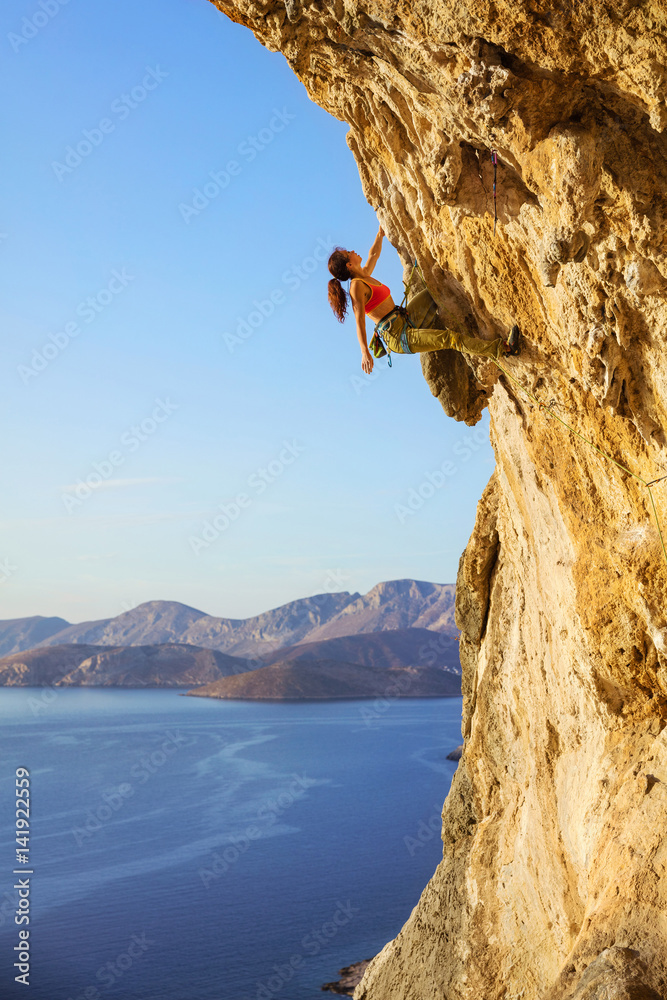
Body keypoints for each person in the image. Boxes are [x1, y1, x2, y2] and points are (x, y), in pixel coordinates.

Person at [327, 227, 520, 373]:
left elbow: (373, 255)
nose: (352, 250)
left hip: (403, 317)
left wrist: (380, 233)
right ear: (349, 264)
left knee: (434, 289)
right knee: (449, 339)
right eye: (348, 253)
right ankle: (502, 349)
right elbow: (359, 319)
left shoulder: (364, 275)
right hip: (398, 336)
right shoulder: (356, 287)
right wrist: (364, 352)